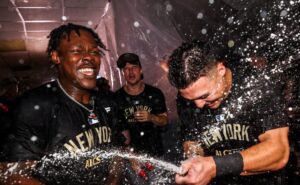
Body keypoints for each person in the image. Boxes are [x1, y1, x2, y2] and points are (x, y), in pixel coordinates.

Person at [0, 23, 124, 185]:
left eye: (94, 51)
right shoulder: (36, 105)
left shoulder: (108, 103)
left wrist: (113, 180)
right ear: (56, 56)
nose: (89, 57)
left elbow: (118, 151)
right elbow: (9, 173)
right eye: (76, 51)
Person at [168, 40, 290, 185]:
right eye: (191, 99)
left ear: (220, 70)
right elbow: (192, 139)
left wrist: (215, 166)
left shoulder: (257, 85)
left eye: (204, 96)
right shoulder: (187, 98)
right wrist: (194, 161)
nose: (198, 105)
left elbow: (279, 151)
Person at [113, 53, 168, 181]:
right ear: (123, 73)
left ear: (141, 69)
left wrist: (152, 117)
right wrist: (131, 155)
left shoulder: (154, 93)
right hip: (133, 159)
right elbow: (118, 132)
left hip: (155, 155)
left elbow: (164, 120)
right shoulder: (116, 98)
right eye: (126, 69)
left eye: (134, 67)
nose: (130, 72)